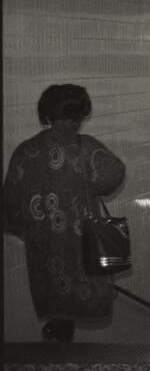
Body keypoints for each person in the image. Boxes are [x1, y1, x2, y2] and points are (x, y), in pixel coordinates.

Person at [3, 84, 126, 342]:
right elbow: (113, 175)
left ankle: (56, 338)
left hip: (45, 245)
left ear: (46, 114)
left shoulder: (25, 151)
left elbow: (11, 206)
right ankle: (61, 347)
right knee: (80, 291)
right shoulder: (87, 148)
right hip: (84, 241)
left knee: (57, 301)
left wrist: (32, 228)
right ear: (79, 116)